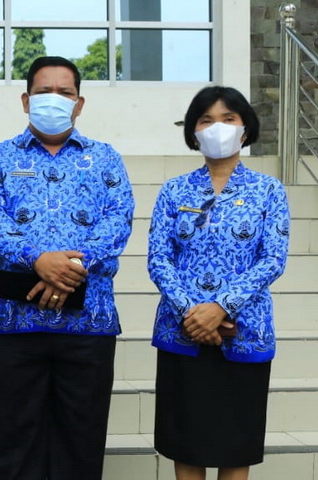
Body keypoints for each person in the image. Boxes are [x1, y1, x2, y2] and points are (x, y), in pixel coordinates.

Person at [0, 56, 134, 479]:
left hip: (88, 326)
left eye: (65, 92)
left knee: (81, 442)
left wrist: (68, 270)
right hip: (15, 324)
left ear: (80, 103)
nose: (54, 100)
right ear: (26, 100)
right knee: (15, 442)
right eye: (44, 92)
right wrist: (37, 260)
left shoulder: (106, 159)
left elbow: (118, 222)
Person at [148, 86, 290, 480]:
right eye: (206, 120)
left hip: (243, 330)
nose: (217, 127)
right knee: (186, 444)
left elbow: (272, 260)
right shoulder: (174, 190)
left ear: (245, 130)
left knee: (234, 445)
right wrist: (193, 313)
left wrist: (221, 307)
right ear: (193, 132)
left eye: (228, 119)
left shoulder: (268, 191)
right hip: (182, 330)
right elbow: (159, 259)